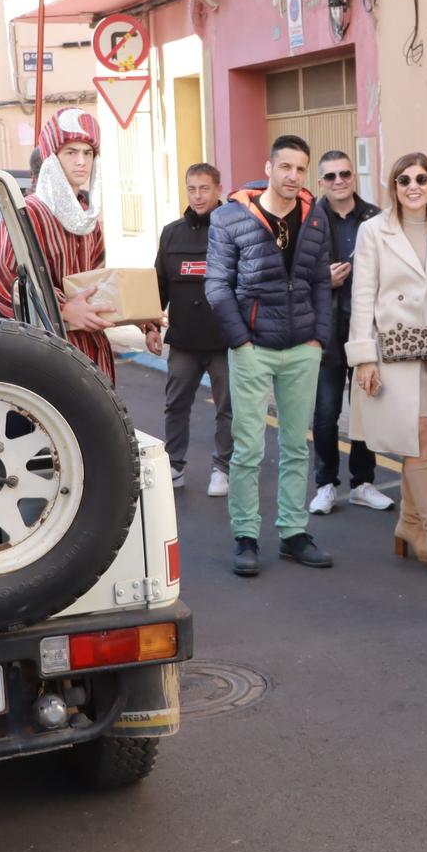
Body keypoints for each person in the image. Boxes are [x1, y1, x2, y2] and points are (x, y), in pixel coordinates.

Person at [206, 135, 335, 576]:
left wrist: (319, 336)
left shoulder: (314, 217)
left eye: (300, 169)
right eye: (285, 167)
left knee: (297, 445)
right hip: (253, 349)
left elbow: (320, 280)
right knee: (249, 448)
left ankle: (293, 533)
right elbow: (217, 286)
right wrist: (241, 340)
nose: (292, 177)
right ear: (269, 167)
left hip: (301, 348)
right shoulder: (230, 218)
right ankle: (245, 536)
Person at [348, 152, 427, 576]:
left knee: (420, 438)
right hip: (393, 352)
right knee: (419, 434)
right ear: (394, 186)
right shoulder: (374, 231)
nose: (414, 186)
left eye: (421, 178)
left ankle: (408, 524)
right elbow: (362, 295)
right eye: (404, 180)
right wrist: (364, 357)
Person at [0, 107, 114, 382]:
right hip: (46, 352)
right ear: (52, 159)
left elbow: (95, 280)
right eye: (71, 152)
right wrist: (61, 309)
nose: (81, 161)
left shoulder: (89, 217)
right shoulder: (29, 212)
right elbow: (5, 280)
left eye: (88, 153)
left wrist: (130, 311)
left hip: (90, 349)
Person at [308, 150, 392, 516]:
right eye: (331, 176)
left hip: (366, 330)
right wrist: (321, 279)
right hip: (324, 330)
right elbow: (290, 272)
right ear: (321, 182)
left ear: (354, 176)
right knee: (325, 413)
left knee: (366, 410)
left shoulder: (375, 218)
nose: (339, 181)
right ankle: (325, 484)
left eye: (345, 174)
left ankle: (363, 482)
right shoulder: (307, 219)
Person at [145, 163, 233, 497]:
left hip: (225, 339)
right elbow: (159, 286)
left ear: (218, 188)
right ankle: (175, 465)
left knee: (228, 408)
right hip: (183, 338)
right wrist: (151, 326)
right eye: (191, 189)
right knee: (176, 404)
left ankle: (221, 468)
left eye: (204, 189)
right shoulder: (171, 233)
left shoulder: (235, 229)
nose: (197, 196)